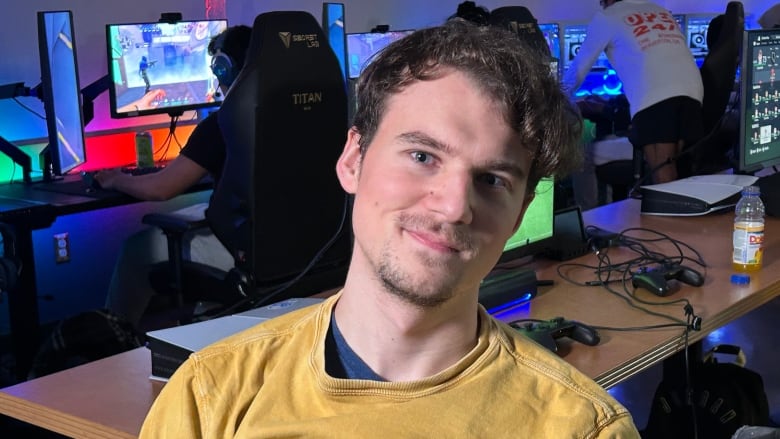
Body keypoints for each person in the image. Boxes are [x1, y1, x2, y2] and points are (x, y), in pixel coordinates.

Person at [139, 19, 639, 437]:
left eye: (491, 180)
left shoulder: (581, 428)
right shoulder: (211, 398)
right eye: (422, 156)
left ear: (520, 211)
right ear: (354, 158)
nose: (452, 207)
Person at [96, 25, 252, 328]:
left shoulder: (224, 123)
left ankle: (113, 341)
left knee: (137, 248)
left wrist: (117, 180)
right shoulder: (302, 112)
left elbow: (161, 188)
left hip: (242, 252)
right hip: (294, 251)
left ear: (224, 69)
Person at [563, 0, 703, 184]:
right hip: (694, 93)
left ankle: (590, 211)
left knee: (664, 177)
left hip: (656, 97)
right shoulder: (660, 11)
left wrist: (553, 98)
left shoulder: (607, 17)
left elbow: (577, 71)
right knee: (681, 172)